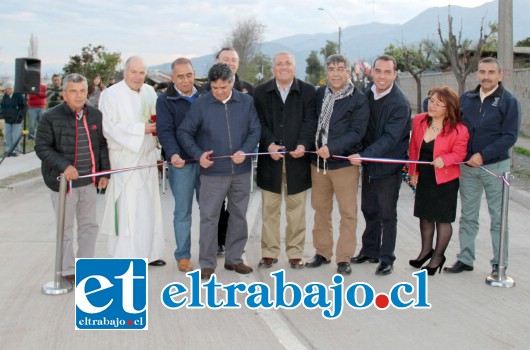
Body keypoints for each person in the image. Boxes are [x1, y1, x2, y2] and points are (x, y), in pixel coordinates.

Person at [178, 63, 260, 280]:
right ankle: (207, 262)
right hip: (213, 173)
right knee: (208, 217)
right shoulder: (201, 104)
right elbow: (185, 132)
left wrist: (245, 150)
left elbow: (255, 130)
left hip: (241, 172)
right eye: (214, 88)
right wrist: (198, 155)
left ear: (232, 82)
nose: (219, 92)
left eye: (223, 87)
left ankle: (235, 259)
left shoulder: (246, 102)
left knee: (239, 216)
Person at [444, 57, 521, 276]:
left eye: (491, 72)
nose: (486, 76)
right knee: (468, 216)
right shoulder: (466, 99)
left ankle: (499, 264)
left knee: (498, 218)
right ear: (477, 74)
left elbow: (510, 136)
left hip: (495, 167)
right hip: (468, 168)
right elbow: (454, 126)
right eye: (482, 72)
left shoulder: (509, 102)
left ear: (500, 75)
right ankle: (466, 259)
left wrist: (483, 154)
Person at [35, 73, 110, 283]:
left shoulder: (95, 115)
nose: (79, 96)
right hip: (62, 185)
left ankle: (85, 267)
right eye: (73, 91)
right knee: (65, 228)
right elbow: (41, 147)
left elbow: (102, 145)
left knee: (89, 226)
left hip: (88, 182)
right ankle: (68, 270)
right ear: (64, 94)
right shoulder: (50, 117)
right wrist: (64, 166)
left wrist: (103, 173)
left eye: (83, 91)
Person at [99, 56, 166, 266]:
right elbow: (109, 127)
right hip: (125, 159)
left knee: (148, 210)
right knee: (128, 211)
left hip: (146, 157)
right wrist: (141, 129)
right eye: (133, 72)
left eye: (142, 72)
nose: (138, 76)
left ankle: (149, 253)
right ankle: (126, 256)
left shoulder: (149, 92)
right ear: (124, 72)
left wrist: (156, 139)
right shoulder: (110, 94)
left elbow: (155, 118)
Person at [306, 54, 369, 275]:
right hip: (318, 164)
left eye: (340, 68)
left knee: (347, 213)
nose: (335, 73)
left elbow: (357, 133)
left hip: (343, 165)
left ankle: (344, 258)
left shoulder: (358, 99)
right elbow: (312, 123)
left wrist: (332, 148)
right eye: (331, 68)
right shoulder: (319, 93)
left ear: (348, 71)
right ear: (326, 72)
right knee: (320, 211)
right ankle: (322, 252)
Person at [254, 51, 317, 270]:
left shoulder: (309, 92)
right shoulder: (260, 92)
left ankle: (295, 253)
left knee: (297, 211)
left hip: (297, 161)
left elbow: (311, 121)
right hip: (269, 161)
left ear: (294, 67)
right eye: (279, 63)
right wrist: (269, 144)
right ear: (272, 68)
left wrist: (303, 144)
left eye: (287, 63)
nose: (283, 67)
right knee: (269, 210)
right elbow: (258, 123)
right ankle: (269, 253)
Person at [349, 55, 411, 276]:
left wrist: (364, 155)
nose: (382, 76)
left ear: (395, 74)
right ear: (372, 72)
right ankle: (370, 250)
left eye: (387, 72)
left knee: (387, 214)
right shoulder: (365, 94)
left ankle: (387, 258)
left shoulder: (400, 103)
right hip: (368, 164)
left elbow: (390, 138)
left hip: (387, 166)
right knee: (369, 209)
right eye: (378, 71)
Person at [408, 86, 469, 276]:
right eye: (431, 100)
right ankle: (425, 251)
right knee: (424, 216)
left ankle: (437, 257)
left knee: (442, 219)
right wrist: (413, 171)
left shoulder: (459, 129)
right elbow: (413, 148)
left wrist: (446, 159)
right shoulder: (419, 120)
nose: (432, 105)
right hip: (425, 177)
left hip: (445, 180)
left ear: (448, 108)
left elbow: (460, 153)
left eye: (438, 103)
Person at [205, 47, 255, 256]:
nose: (230, 63)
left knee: (237, 210)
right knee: (212, 210)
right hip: (213, 166)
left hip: (240, 165)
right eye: (225, 59)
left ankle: (234, 249)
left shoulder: (248, 92)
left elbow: (254, 126)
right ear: (217, 61)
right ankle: (215, 244)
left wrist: (246, 149)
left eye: (233, 60)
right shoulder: (206, 94)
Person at [157, 58, 202, 272]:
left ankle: (212, 249)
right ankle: (183, 255)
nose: (186, 80)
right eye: (180, 76)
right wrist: (173, 154)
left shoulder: (205, 95)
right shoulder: (165, 101)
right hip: (181, 164)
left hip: (206, 163)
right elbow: (165, 131)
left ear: (194, 74)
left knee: (211, 211)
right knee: (182, 212)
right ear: (172, 78)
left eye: (189, 75)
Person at [1, 81, 27, 157]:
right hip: (7, 119)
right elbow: (2, 106)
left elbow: (24, 107)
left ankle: (16, 151)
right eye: (5, 89)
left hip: (17, 120)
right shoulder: (5, 96)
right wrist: (3, 114)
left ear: (11, 88)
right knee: (7, 135)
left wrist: (20, 117)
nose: (6, 91)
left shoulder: (19, 96)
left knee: (16, 135)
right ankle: (8, 150)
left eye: (8, 89)